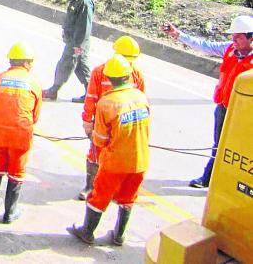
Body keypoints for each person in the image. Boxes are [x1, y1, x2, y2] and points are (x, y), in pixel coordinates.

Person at [162, 15, 253, 188]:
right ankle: (208, 178)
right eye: (233, 35)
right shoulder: (229, 49)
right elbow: (205, 46)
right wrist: (178, 35)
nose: (234, 39)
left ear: (251, 37)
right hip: (224, 108)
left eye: (239, 36)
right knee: (219, 145)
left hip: (245, 114)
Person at [68, 54, 150, 246]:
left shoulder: (107, 102)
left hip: (115, 161)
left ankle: (87, 232)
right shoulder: (140, 96)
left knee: (99, 196)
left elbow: (101, 140)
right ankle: (119, 235)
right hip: (140, 159)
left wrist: (93, 133)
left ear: (109, 79)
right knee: (128, 197)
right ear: (128, 76)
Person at [0, 42, 42, 223]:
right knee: (16, 170)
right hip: (20, 135)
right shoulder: (34, 83)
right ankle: (10, 213)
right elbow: (35, 117)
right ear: (27, 63)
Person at [78, 35, 146, 200]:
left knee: (121, 156)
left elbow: (141, 99)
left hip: (124, 124)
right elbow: (91, 98)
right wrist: (87, 121)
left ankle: (117, 189)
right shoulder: (100, 72)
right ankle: (90, 186)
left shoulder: (136, 73)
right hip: (102, 123)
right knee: (95, 153)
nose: (129, 64)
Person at [43, 0, 95, 102]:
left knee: (66, 64)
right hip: (74, 40)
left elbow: (84, 26)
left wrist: (78, 45)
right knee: (80, 67)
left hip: (77, 41)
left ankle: (54, 90)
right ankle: (90, 94)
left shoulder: (84, 1)